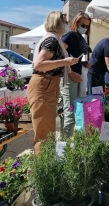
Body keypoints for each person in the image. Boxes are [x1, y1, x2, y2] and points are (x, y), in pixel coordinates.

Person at [27, 11, 79, 155]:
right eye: (65, 22)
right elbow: (39, 64)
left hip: (48, 84)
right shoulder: (52, 40)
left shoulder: (53, 39)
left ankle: (47, 167)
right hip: (45, 84)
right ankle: (44, 171)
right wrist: (65, 61)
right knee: (44, 132)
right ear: (58, 23)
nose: (67, 25)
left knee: (48, 129)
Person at [60, 12, 92, 138]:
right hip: (69, 78)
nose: (84, 27)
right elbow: (60, 56)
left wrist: (83, 63)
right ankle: (66, 148)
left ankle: (68, 142)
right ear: (75, 22)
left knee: (75, 111)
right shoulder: (70, 36)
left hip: (76, 77)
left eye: (87, 26)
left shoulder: (79, 37)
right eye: (82, 24)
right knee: (70, 113)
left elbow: (71, 56)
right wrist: (71, 73)